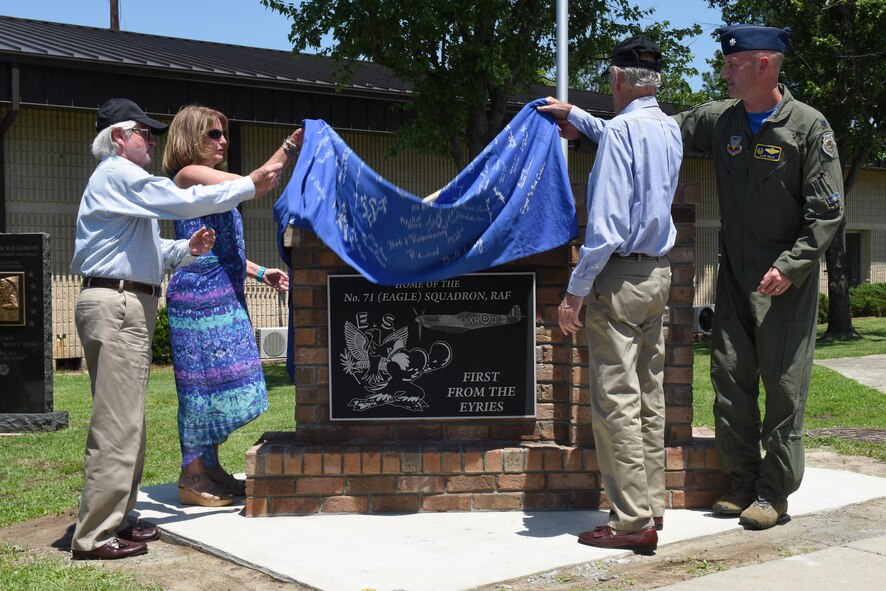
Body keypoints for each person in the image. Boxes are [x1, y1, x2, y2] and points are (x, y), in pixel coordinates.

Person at [70, 98, 283, 560]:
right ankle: (94, 535)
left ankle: (119, 519)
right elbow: (182, 197)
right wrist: (250, 183)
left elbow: (154, 251)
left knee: (128, 423)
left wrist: (188, 247)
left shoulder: (124, 186)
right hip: (117, 301)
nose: (151, 139)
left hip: (128, 299)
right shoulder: (118, 173)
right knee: (116, 425)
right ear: (119, 137)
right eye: (143, 132)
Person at [673, 25, 844, 529]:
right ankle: (741, 483)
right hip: (734, 275)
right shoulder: (721, 120)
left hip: (784, 281)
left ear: (763, 65)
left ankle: (774, 493)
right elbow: (658, 129)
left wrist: (791, 267)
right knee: (729, 378)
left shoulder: (809, 128)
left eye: (732, 64)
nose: (723, 72)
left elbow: (827, 213)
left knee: (784, 388)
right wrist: (584, 123)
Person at [538, 34, 682, 552]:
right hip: (658, 276)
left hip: (616, 278)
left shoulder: (621, 133)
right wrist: (577, 114)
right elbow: (623, 135)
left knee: (616, 401)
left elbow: (603, 227)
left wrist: (574, 293)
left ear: (617, 80)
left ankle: (630, 523)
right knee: (649, 397)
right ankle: (652, 507)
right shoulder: (668, 128)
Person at [161, 105, 301, 506]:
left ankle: (211, 468)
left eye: (223, 134)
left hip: (224, 293)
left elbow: (222, 249)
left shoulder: (209, 180)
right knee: (201, 388)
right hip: (199, 299)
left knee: (225, 384)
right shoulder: (188, 175)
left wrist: (261, 273)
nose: (223, 141)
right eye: (213, 135)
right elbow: (256, 183)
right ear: (190, 137)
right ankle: (191, 477)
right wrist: (291, 144)